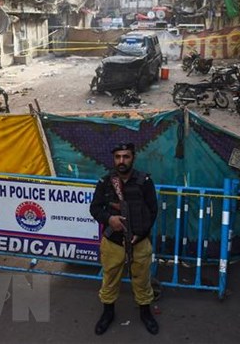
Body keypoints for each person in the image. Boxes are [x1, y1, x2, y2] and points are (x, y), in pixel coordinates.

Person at [89, 142, 159, 335]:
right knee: (110, 278)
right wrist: (109, 219)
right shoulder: (105, 183)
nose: (122, 160)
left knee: (142, 280)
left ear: (132, 158)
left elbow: (153, 211)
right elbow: (94, 208)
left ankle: (145, 313)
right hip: (113, 243)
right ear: (114, 159)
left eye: (126, 156)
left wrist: (141, 233)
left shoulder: (144, 182)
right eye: (118, 156)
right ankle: (108, 313)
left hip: (139, 241)